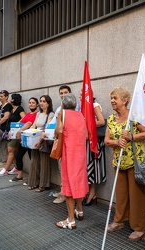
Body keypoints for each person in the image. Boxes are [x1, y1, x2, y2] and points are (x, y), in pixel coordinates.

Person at [104, 87, 145, 241]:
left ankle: (139, 228)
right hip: (118, 162)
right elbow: (106, 141)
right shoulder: (111, 119)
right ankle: (119, 220)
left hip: (134, 162)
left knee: (137, 195)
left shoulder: (134, 116)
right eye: (111, 98)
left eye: (115, 98)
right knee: (121, 194)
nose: (112, 101)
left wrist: (131, 136)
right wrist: (116, 141)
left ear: (124, 101)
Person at [55, 94, 88, 230]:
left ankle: (70, 220)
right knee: (79, 181)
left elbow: (58, 132)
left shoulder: (62, 113)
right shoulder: (80, 115)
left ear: (63, 104)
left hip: (69, 155)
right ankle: (79, 210)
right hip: (80, 154)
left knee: (69, 185)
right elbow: (86, 135)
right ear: (75, 105)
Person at [51, 85, 79, 204]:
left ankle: (67, 195)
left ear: (71, 93)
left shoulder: (75, 109)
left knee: (67, 171)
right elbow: (53, 124)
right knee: (61, 168)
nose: (63, 95)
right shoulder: (59, 109)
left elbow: (61, 129)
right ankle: (64, 191)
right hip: (61, 143)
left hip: (70, 145)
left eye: (65, 93)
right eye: (61, 93)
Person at [82, 96, 106, 206]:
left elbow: (101, 122)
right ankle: (89, 193)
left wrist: (87, 123)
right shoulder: (83, 107)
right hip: (85, 141)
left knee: (91, 167)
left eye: (83, 94)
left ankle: (92, 193)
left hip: (94, 141)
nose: (81, 96)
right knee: (87, 168)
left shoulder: (94, 105)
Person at [27, 95, 54, 192]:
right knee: (34, 161)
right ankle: (34, 182)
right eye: (41, 101)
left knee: (44, 163)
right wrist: (28, 134)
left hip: (43, 141)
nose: (41, 103)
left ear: (48, 103)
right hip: (35, 139)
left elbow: (47, 129)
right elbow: (34, 125)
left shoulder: (51, 114)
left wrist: (40, 140)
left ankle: (43, 184)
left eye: (44, 101)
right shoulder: (38, 113)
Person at [9, 97, 39, 182]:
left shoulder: (38, 114)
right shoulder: (28, 114)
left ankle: (33, 177)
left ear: (37, 105)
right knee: (18, 156)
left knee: (32, 159)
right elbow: (19, 123)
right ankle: (19, 176)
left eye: (33, 103)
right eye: (30, 102)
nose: (31, 104)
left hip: (31, 140)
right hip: (23, 140)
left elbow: (29, 123)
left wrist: (20, 130)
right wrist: (11, 130)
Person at [0, 93, 26, 176]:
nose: (10, 100)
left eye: (12, 99)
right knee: (13, 151)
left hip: (16, 133)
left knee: (10, 150)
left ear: (15, 100)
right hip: (11, 133)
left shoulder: (20, 109)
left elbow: (24, 118)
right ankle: (16, 168)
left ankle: (5, 169)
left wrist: (17, 125)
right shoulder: (12, 109)